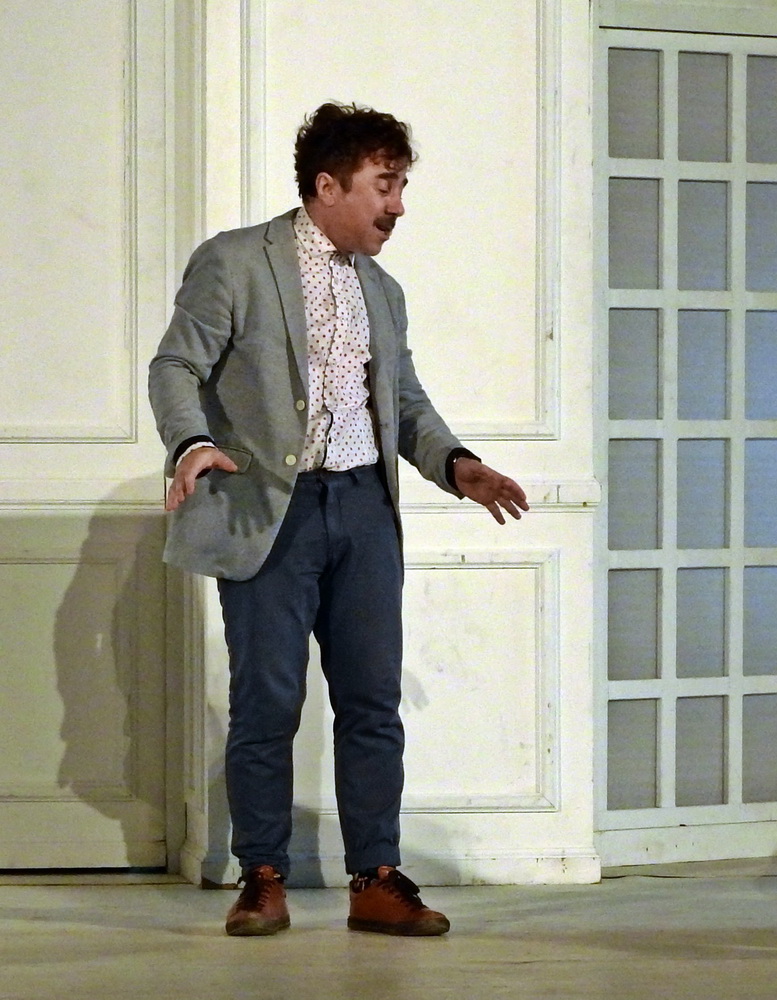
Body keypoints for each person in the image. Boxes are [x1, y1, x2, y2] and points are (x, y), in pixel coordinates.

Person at [148, 102, 529, 937]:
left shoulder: (383, 291)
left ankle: (375, 879)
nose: (398, 206)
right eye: (385, 185)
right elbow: (175, 364)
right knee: (267, 703)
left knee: (371, 703)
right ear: (329, 186)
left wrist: (456, 464)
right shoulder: (236, 261)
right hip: (269, 509)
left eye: (402, 186)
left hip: (363, 510)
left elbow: (404, 402)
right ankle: (263, 876)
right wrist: (191, 443)